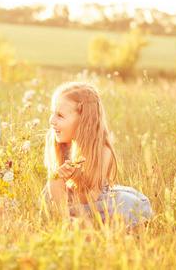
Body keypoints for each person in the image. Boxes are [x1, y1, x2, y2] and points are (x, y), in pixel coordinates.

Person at [41, 81, 152, 229]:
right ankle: (65, 224)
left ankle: (78, 225)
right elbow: (54, 191)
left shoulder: (101, 150)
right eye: (52, 112)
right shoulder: (55, 140)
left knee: (127, 203)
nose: (51, 121)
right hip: (60, 200)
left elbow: (90, 198)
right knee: (52, 198)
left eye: (60, 115)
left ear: (83, 121)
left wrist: (70, 179)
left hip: (92, 204)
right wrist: (58, 177)